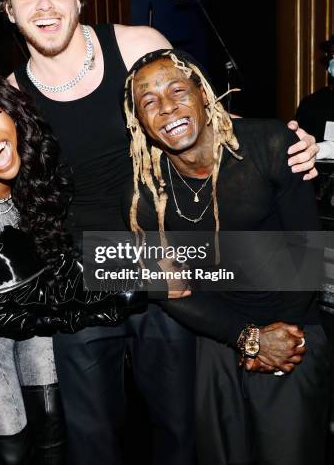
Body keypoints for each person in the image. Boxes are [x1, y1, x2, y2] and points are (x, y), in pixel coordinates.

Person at [0, 0, 320, 465]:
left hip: (176, 255)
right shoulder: (10, 97)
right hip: (88, 268)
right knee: (92, 440)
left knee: (182, 430)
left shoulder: (137, 44)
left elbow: (209, 123)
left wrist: (287, 143)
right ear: (8, 8)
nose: (44, 4)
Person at [0, 70, 141, 465]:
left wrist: (137, 278)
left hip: (39, 319)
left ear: (14, 117)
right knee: (12, 451)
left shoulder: (39, 180)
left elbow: (62, 270)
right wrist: (103, 302)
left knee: (53, 437)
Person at [123, 48, 330, 465]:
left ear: (204, 93)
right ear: (138, 122)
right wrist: (246, 339)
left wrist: (275, 339)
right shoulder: (146, 189)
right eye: (149, 102)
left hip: (293, 324)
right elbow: (169, 289)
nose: (166, 109)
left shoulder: (269, 143)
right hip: (219, 335)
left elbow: (307, 251)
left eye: (178, 91)